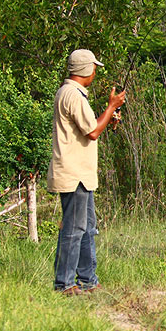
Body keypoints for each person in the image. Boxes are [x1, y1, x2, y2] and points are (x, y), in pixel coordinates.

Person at [47, 49, 125, 296]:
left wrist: (108, 117)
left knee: (87, 228)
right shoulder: (74, 95)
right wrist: (112, 105)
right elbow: (92, 132)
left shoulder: (69, 92)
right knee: (74, 229)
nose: (94, 72)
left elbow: (91, 128)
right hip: (74, 174)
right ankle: (65, 284)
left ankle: (88, 280)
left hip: (80, 174)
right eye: (93, 68)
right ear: (85, 70)